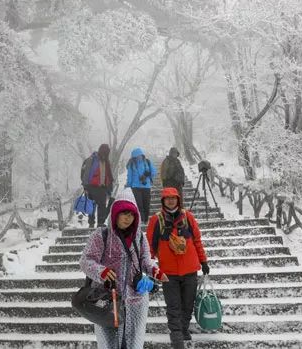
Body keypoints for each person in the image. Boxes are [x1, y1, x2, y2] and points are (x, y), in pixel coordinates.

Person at [80, 188, 165, 349]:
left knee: (133, 344)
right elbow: (86, 261)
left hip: (135, 300)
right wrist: (102, 272)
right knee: (109, 345)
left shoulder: (139, 236)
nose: (128, 218)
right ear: (115, 214)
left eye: (132, 214)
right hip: (107, 300)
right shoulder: (101, 235)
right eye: (124, 213)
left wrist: (155, 270)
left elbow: (146, 260)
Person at [146, 187, 209, 349]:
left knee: (188, 304)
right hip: (169, 273)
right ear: (162, 201)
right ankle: (176, 337)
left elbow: (197, 241)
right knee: (173, 305)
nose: (171, 201)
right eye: (167, 198)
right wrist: (148, 267)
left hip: (190, 270)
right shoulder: (156, 220)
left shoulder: (188, 217)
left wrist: (204, 261)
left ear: (178, 200)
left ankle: (183, 328)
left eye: (173, 198)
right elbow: (150, 247)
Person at [80, 144, 115, 228]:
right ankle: (94, 222)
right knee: (96, 205)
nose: (105, 154)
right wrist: (85, 185)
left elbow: (108, 175)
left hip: (101, 187)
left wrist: (109, 186)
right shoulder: (92, 160)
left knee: (99, 205)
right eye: (105, 152)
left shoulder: (105, 161)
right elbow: (84, 173)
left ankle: (97, 223)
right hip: (91, 186)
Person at [124, 147, 156, 224]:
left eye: (140, 155)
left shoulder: (147, 162)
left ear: (142, 155)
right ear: (134, 157)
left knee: (146, 204)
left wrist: (147, 174)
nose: (139, 157)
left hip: (146, 186)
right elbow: (130, 176)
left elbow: (153, 172)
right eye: (137, 156)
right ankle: (141, 219)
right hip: (135, 187)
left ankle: (146, 219)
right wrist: (128, 185)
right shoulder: (131, 164)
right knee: (139, 204)